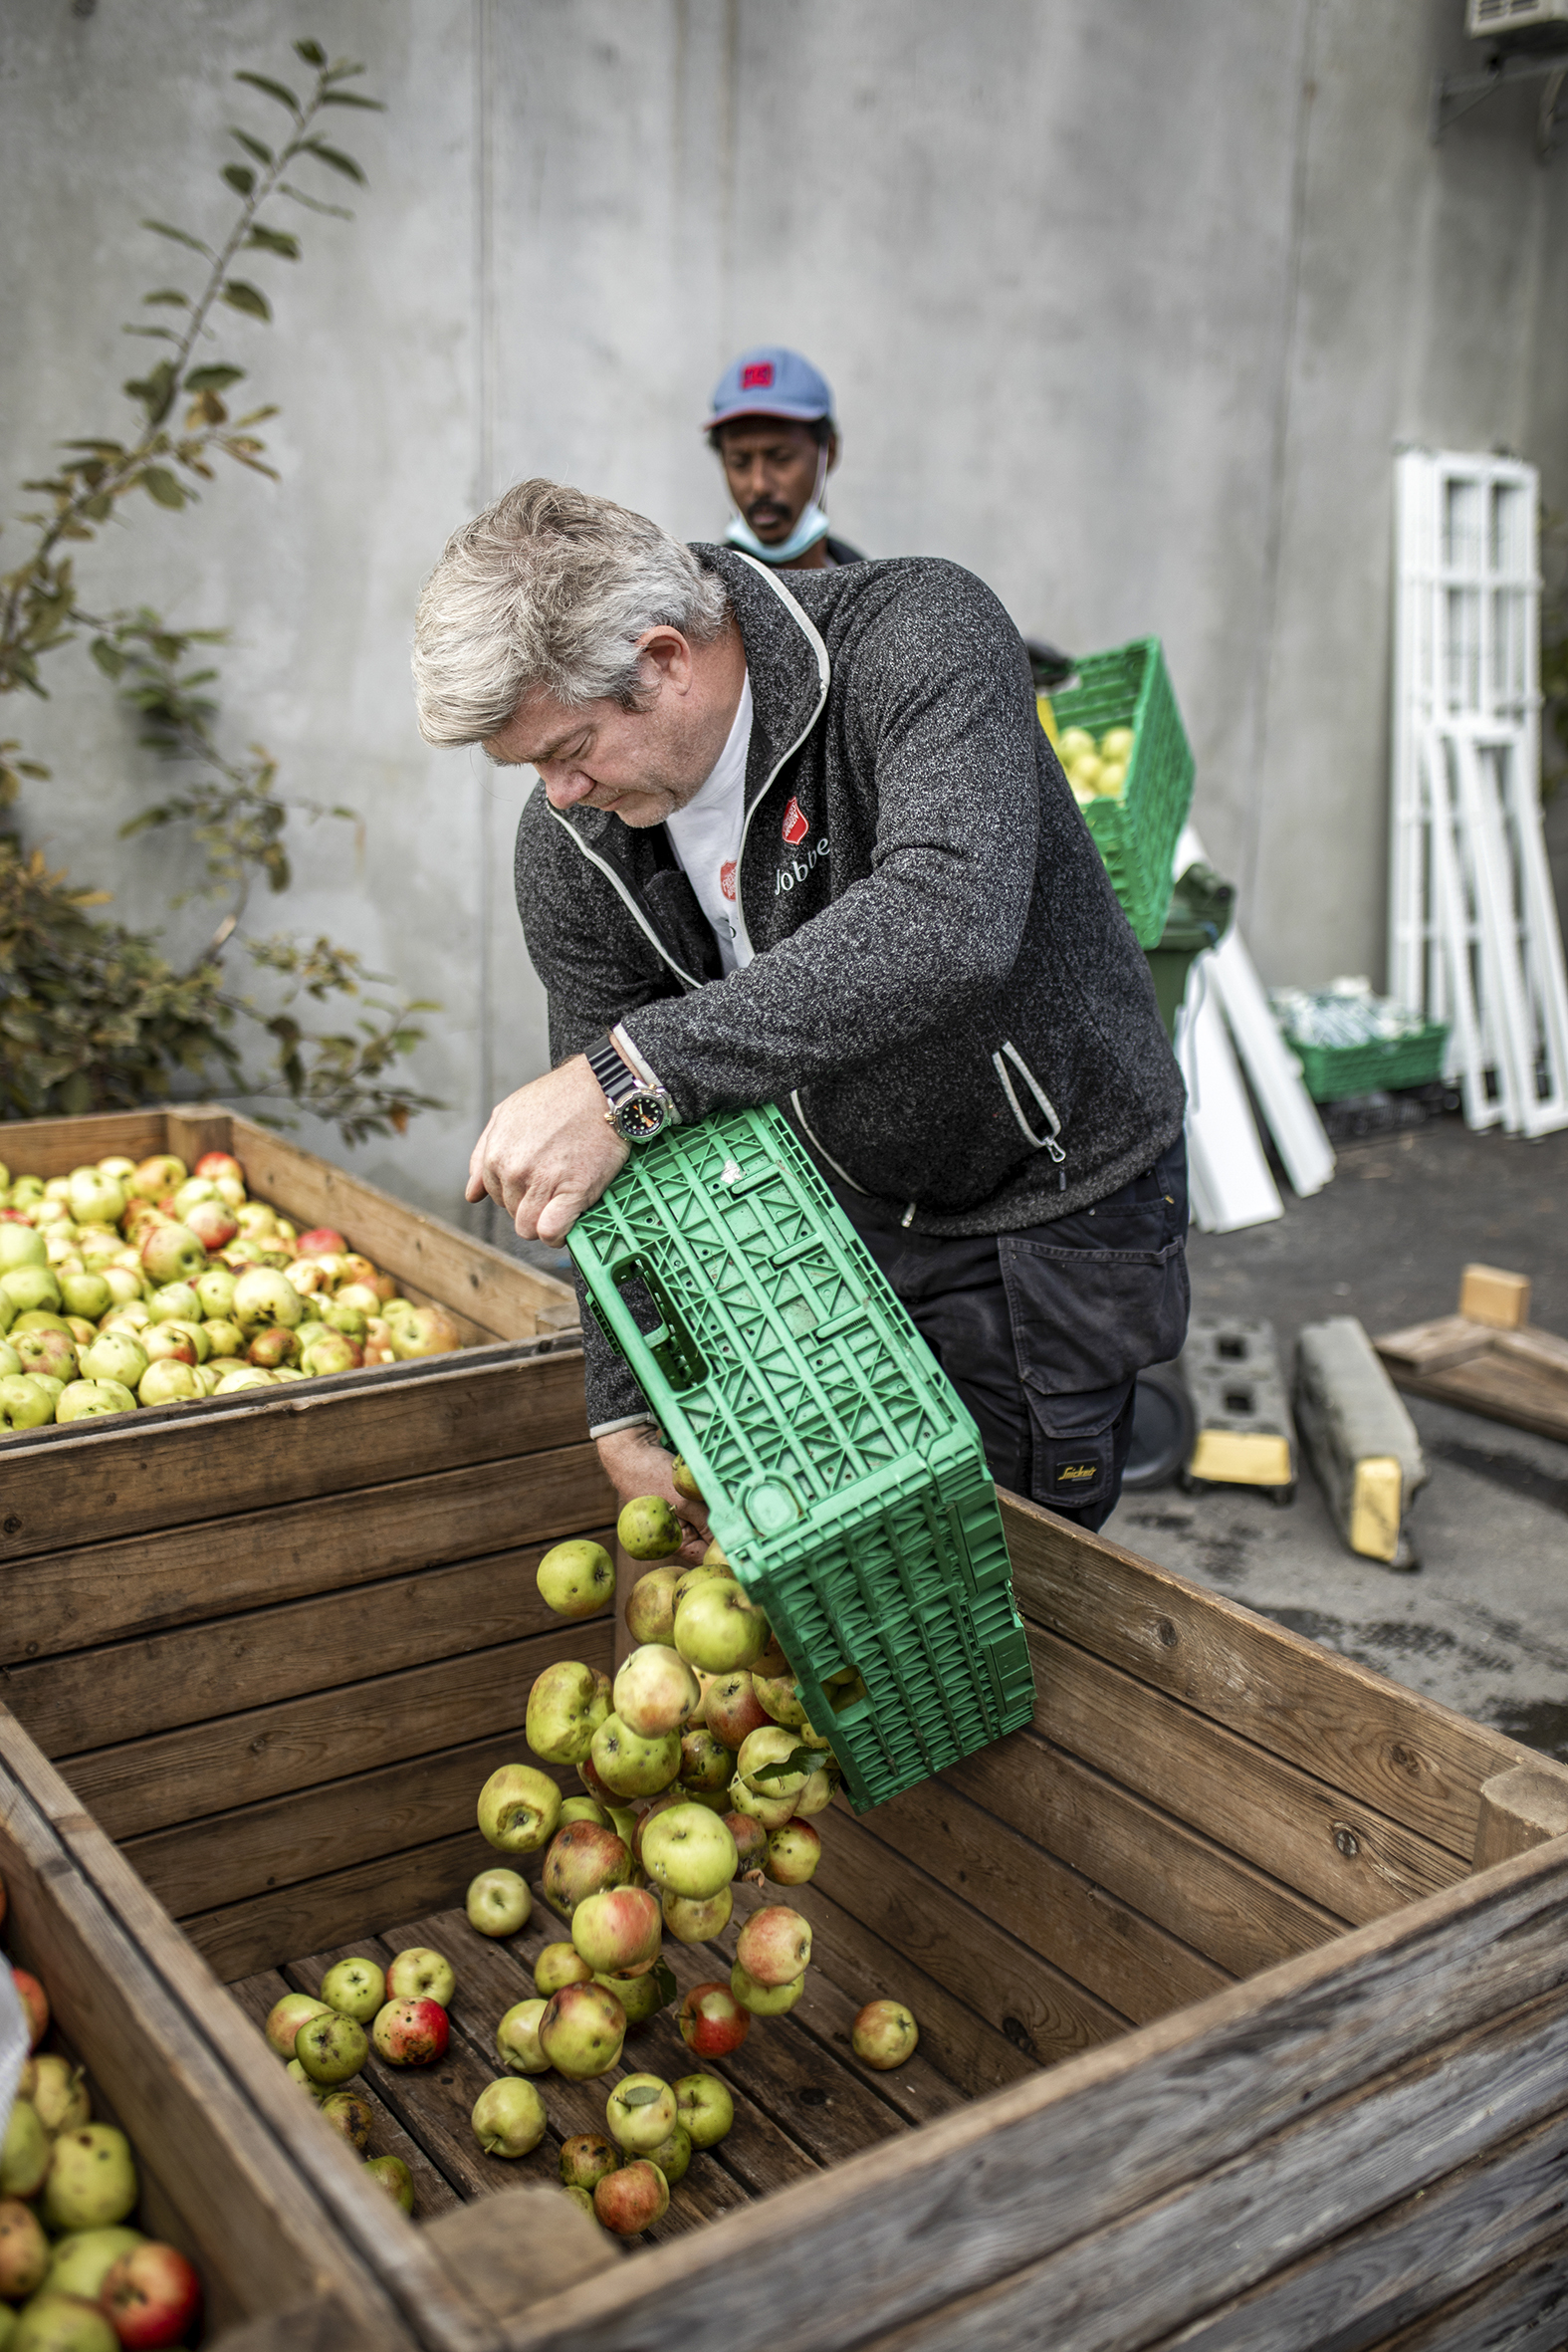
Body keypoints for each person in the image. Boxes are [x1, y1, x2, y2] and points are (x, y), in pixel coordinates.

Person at [411, 480, 1188, 1570]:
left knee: (996, 1572)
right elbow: (612, 1151)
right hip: (837, 1213)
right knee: (857, 1572)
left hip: (1038, 1195)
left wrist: (633, 1073)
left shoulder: (918, 636)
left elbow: (949, 918)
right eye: (529, 767)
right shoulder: (571, 842)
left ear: (663, 660)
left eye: (569, 747)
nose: (560, 793)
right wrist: (624, 1406)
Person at [707, 346, 864, 572]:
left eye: (781, 458)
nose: (759, 485)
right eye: (740, 462)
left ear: (829, 451)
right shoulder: (702, 591)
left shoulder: (873, 586)